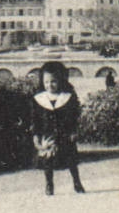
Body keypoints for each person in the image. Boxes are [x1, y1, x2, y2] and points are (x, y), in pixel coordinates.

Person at [31, 62, 86, 195]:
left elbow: (74, 116)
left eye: (53, 81)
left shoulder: (68, 97)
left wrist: (74, 130)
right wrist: (36, 135)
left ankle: (77, 182)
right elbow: (35, 119)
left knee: (71, 160)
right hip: (48, 135)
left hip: (65, 134)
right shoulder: (39, 99)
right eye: (46, 82)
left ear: (61, 80)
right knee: (48, 162)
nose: (50, 85)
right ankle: (49, 184)